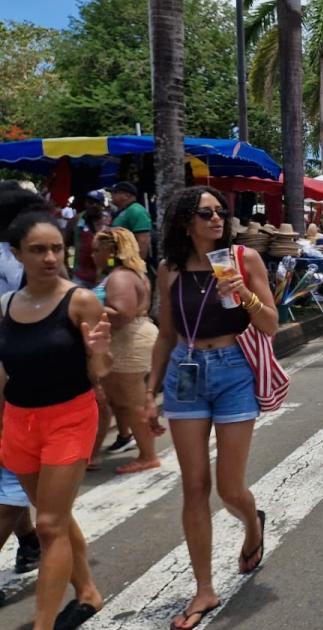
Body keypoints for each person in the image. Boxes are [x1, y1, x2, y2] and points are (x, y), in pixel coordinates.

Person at [145, 187, 277, 630]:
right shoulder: (170, 269)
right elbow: (165, 333)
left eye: (221, 211)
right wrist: (150, 392)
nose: (217, 218)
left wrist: (244, 295)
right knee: (194, 486)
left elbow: (271, 324)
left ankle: (252, 527)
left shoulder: (243, 260)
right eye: (206, 213)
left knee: (230, 488)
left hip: (234, 368)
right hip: (186, 372)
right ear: (186, 221)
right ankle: (204, 589)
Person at [0, 210, 113, 630]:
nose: (49, 257)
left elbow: (101, 371)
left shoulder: (80, 300)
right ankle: (87, 593)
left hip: (69, 419)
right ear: (16, 254)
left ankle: (42, 625)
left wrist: (99, 348)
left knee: (47, 525)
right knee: (57, 518)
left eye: (55, 248)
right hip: (19, 423)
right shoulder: (6, 307)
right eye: (37, 250)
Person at [0, 185, 43, 597]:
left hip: (21, 381)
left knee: (13, 477)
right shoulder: (15, 260)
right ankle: (32, 541)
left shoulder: (20, 259)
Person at [93, 227, 162, 474]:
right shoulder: (125, 273)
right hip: (126, 340)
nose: (93, 255)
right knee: (123, 401)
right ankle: (144, 449)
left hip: (129, 340)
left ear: (111, 251)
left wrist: (85, 306)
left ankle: (148, 455)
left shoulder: (120, 277)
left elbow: (122, 314)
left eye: (97, 250)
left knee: (132, 403)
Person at [72, 191, 109, 289]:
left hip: (103, 277)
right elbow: (64, 243)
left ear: (102, 205)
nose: (93, 205)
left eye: (96, 203)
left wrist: (110, 267)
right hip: (80, 276)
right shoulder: (77, 219)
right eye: (89, 202)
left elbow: (113, 252)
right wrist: (67, 268)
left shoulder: (109, 221)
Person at [107, 182, 152, 262]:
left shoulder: (136, 210)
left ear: (126, 195)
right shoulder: (121, 212)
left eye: (115, 193)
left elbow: (143, 241)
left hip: (129, 263)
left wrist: (137, 266)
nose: (112, 196)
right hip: (117, 261)